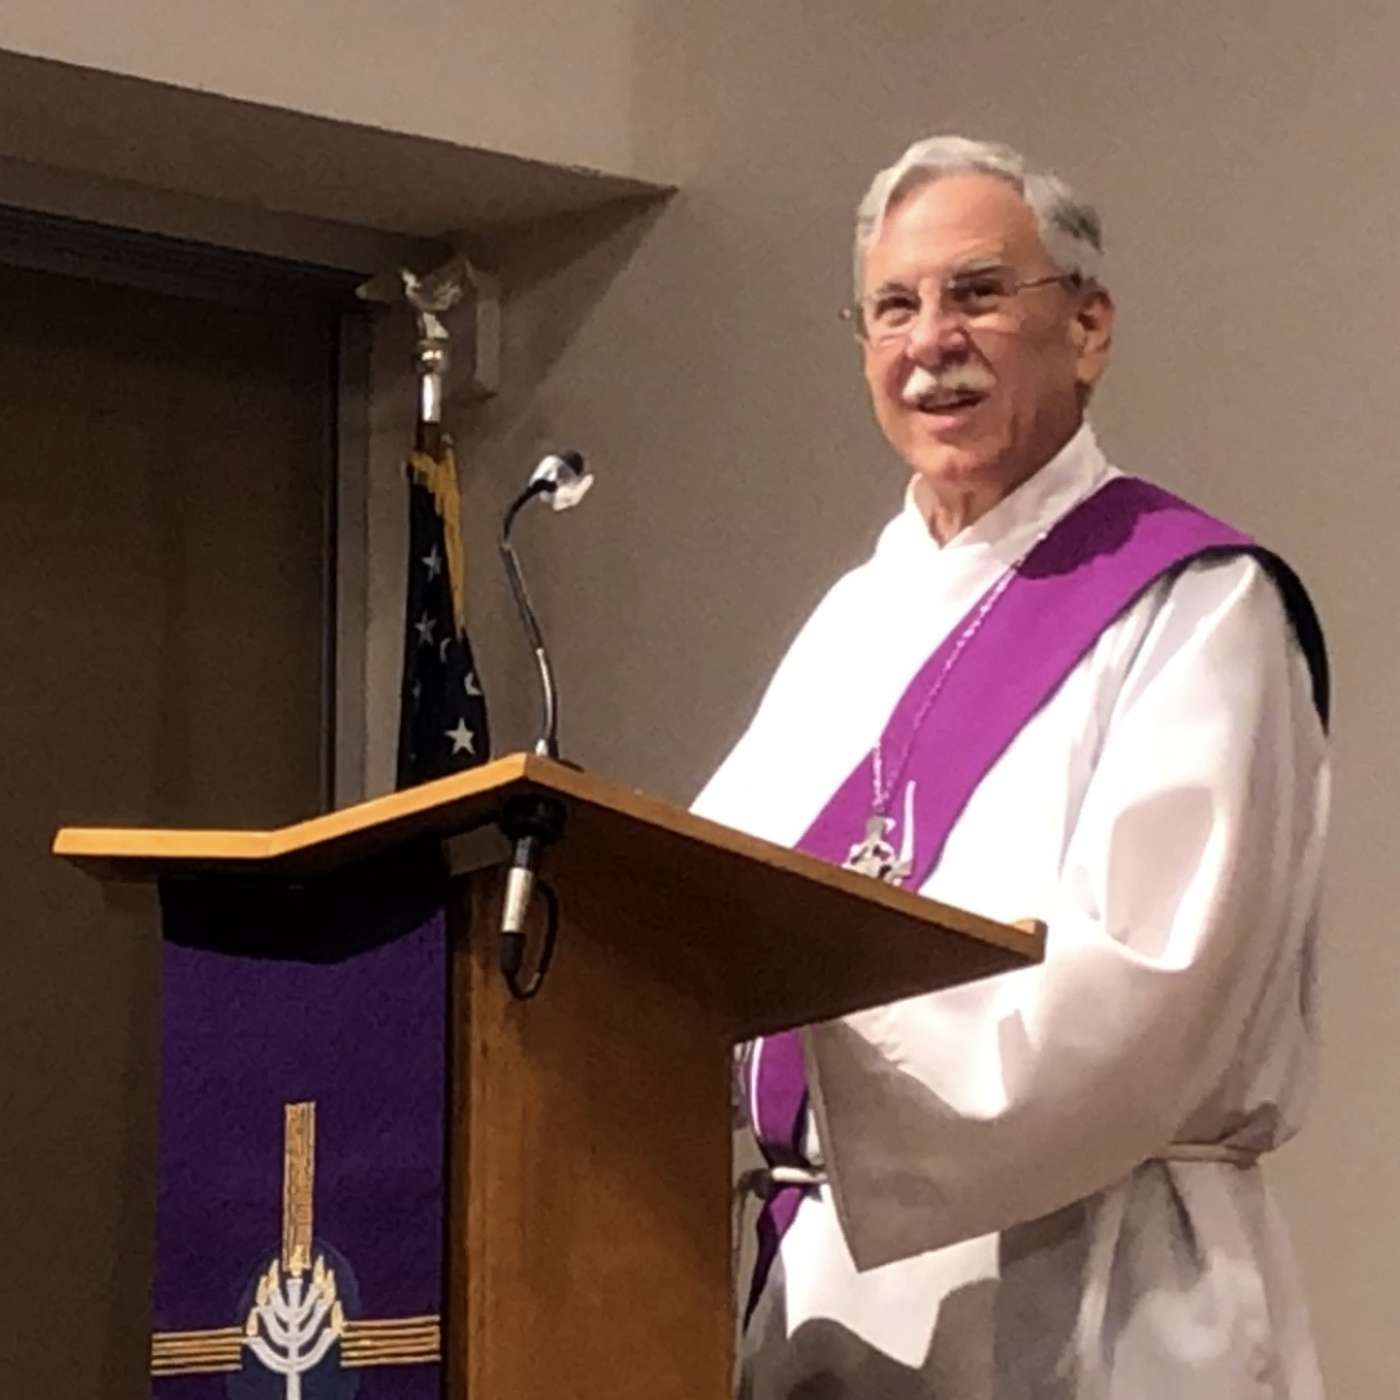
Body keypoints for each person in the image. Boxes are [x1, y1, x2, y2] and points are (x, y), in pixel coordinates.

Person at [692, 136, 1329, 1399]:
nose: (930, 341)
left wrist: (833, 1063)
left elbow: (1148, 986)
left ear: (1086, 327)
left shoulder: (1195, 604)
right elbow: (701, 909)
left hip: (1098, 1290)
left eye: (977, 292)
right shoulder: (852, 621)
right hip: (821, 1292)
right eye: (892, 306)